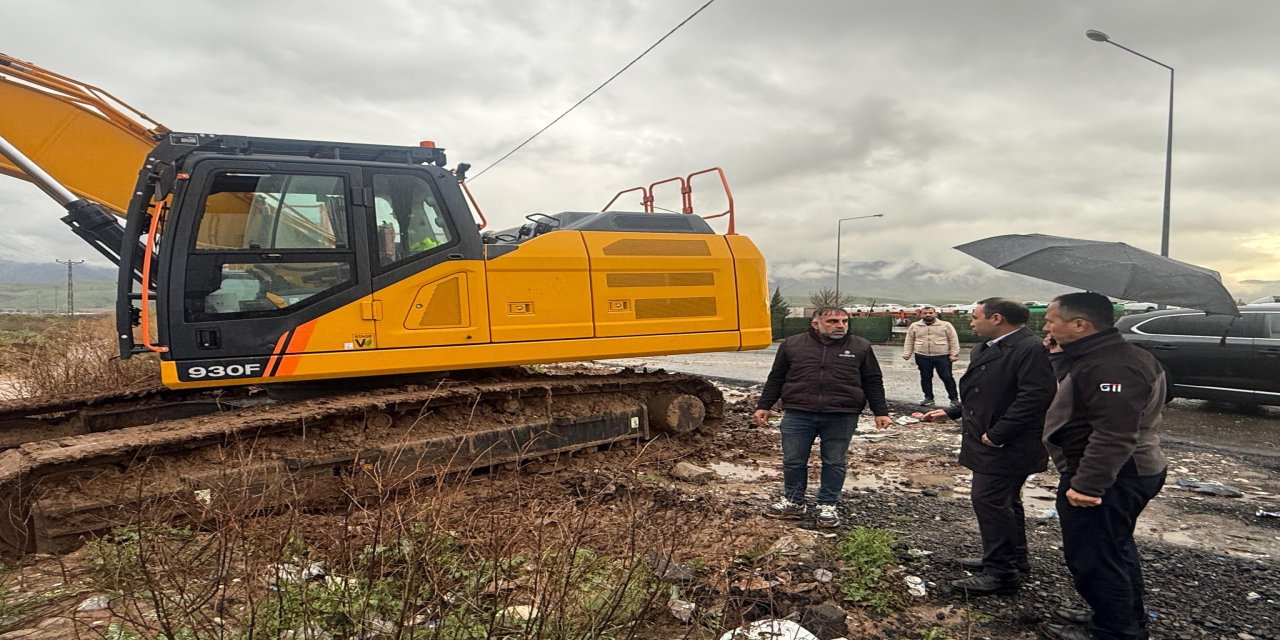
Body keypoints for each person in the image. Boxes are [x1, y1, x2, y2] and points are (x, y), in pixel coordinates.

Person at [1039, 292, 1168, 640]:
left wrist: (1087, 485)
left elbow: (1114, 432)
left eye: (1052, 320)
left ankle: (1114, 630)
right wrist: (1058, 357)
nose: (1046, 326)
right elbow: (1079, 395)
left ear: (1080, 324)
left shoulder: (1113, 365)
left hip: (1113, 474)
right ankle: (1123, 616)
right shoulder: (1099, 355)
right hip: (1111, 470)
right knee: (1114, 547)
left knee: (1095, 557)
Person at [921, 298, 1056, 596]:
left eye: (975, 316)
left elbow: (1035, 397)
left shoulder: (1029, 348)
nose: (971, 322)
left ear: (996, 319)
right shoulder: (988, 347)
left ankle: (1001, 574)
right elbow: (982, 393)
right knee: (1006, 502)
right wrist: (951, 412)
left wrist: (999, 433)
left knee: (991, 502)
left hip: (1007, 444)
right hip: (987, 439)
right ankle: (1012, 559)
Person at [753, 306, 894, 527]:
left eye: (844, 321)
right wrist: (764, 405)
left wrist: (881, 412)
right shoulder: (792, 345)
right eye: (833, 321)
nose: (840, 326)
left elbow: (872, 381)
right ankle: (793, 501)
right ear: (815, 324)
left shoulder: (860, 346)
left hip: (842, 414)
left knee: (834, 461)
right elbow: (776, 378)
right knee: (793, 460)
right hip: (799, 413)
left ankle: (827, 505)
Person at [902, 306, 960, 406]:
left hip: (942, 356)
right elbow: (909, 340)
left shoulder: (946, 325)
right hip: (922, 356)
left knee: (947, 377)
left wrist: (954, 354)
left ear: (935, 314)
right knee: (925, 377)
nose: (928, 315)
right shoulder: (915, 326)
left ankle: (954, 399)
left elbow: (953, 339)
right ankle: (928, 398)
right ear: (921, 314)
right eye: (925, 313)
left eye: (930, 313)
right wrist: (907, 353)